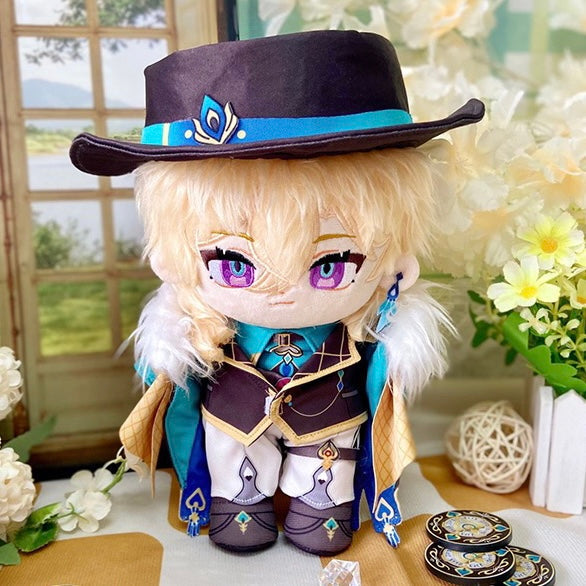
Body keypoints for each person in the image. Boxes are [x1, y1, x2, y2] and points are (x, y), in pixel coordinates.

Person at [69, 29, 484, 555]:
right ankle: (238, 504)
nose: (282, 294)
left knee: (330, 465)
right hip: (234, 413)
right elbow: (182, 394)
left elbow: (382, 382)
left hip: (331, 412)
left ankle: (322, 510)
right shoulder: (205, 327)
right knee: (232, 456)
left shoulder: (369, 321)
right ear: (171, 261)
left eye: (331, 265)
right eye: (234, 265)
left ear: (395, 262)